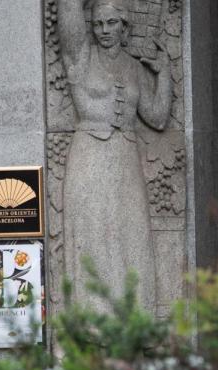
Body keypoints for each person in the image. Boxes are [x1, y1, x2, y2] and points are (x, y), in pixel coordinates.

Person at [56, 0, 172, 311]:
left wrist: (164, 74)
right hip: (88, 154)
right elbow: (68, 13)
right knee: (91, 237)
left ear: (124, 26)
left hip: (125, 156)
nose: (104, 30)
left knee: (132, 236)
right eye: (97, 24)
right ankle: (91, 323)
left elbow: (158, 117)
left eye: (111, 23)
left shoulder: (134, 66)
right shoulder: (80, 57)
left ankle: (134, 322)